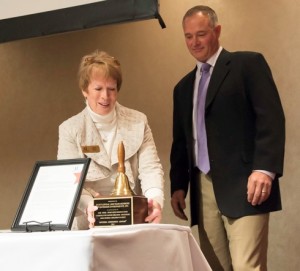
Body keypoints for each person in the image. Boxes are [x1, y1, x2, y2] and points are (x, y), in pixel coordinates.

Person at [170, 5, 285, 271]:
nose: (194, 42)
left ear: (217, 31)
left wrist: (264, 170)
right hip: (202, 188)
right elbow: (181, 141)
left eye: (201, 34)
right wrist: (178, 185)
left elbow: (272, 119)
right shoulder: (182, 87)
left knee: (247, 267)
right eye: (188, 36)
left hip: (247, 186)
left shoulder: (248, 64)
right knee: (213, 268)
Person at [58, 50, 164, 230]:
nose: (105, 96)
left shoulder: (138, 121)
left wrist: (155, 201)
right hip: (88, 224)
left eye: (111, 89)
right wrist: (88, 206)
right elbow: (70, 180)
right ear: (85, 90)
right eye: (98, 89)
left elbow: (150, 168)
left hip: (132, 223)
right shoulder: (70, 129)